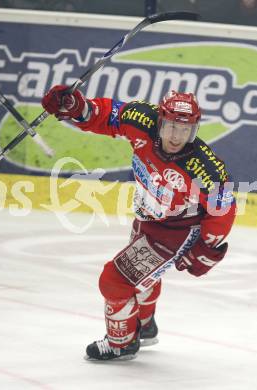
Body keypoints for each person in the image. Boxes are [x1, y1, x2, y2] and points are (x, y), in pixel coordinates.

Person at [41, 86, 236, 361]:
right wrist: (75, 105)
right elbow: (105, 115)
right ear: (159, 120)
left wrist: (207, 246)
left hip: (175, 232)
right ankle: (145, 325)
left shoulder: (203, 168)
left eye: (185, 130)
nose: (177, 137)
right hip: (147, 216)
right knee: (140, 277)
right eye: (171, 127)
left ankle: (122, 343)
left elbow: (223, 211)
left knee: (115, 282)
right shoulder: (141, 119)